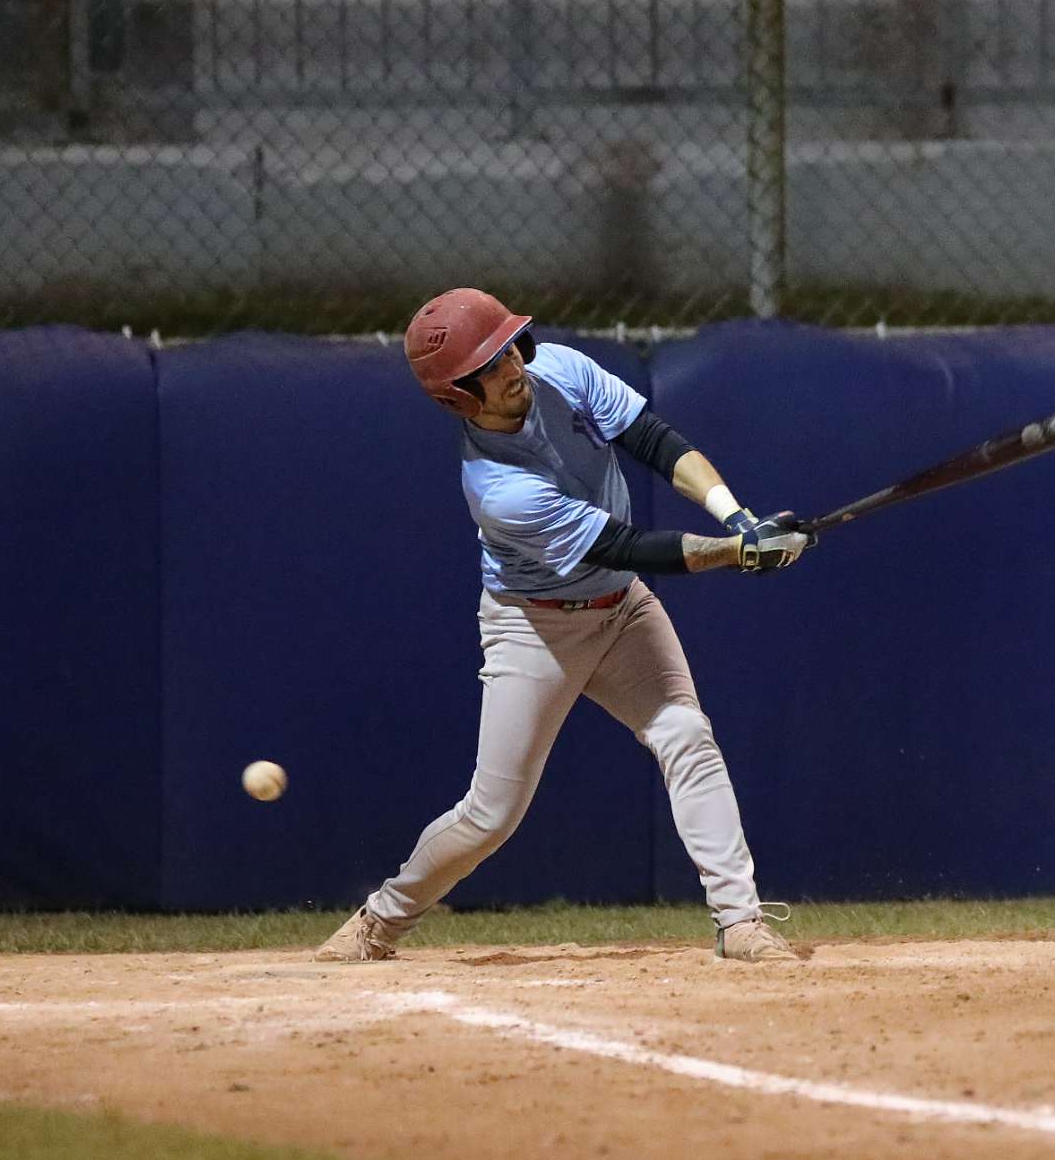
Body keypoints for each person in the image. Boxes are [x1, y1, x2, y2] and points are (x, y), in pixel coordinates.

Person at [315, 288, 812, 964]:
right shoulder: (498, 489)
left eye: (508, 349)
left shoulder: (560, 369)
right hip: (536, 629)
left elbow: (653, 440)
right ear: (458, 396)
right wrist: (736, 553)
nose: (511, 368)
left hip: (621, 608)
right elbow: (624, 545)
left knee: (687, 736)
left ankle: (739, 922)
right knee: (491, 814)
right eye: (489, 366)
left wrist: (738, 519)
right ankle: (380, 919)